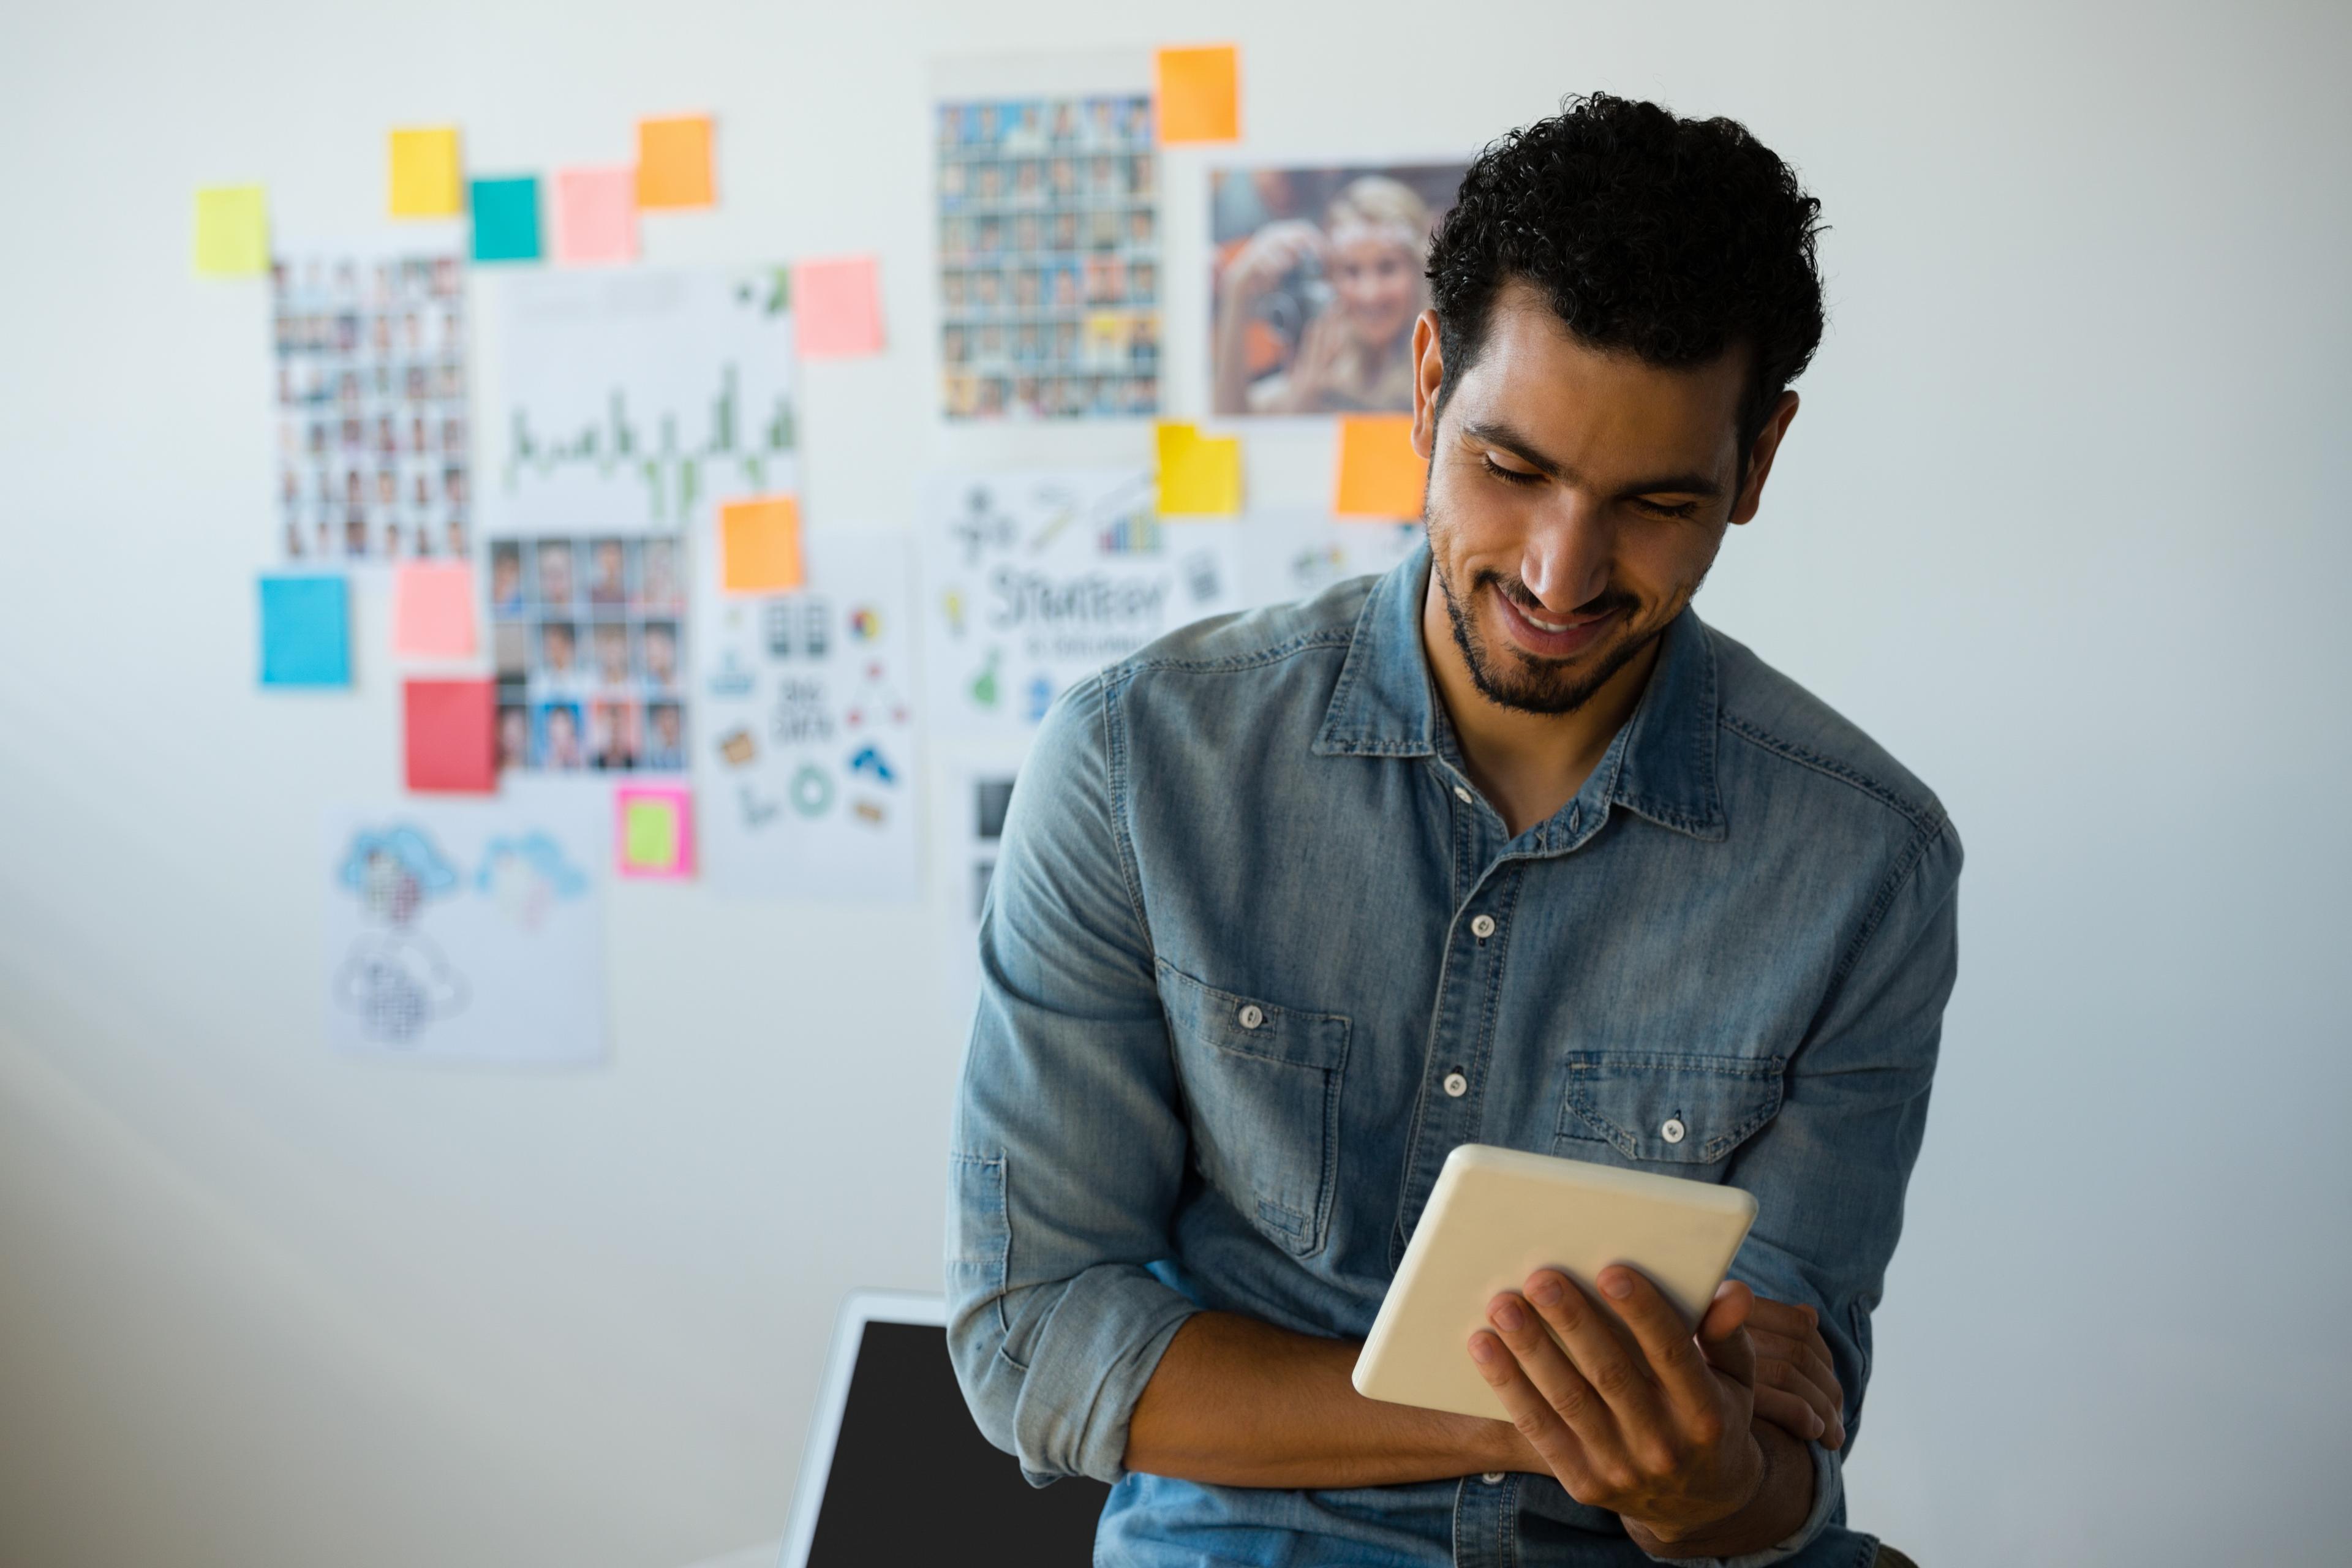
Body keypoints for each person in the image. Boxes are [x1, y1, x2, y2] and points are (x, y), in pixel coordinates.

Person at [948, 95, 1956, 1568]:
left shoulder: (1863, 863)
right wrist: (1538, 1411)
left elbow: (1777, 1454)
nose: (1560, 572)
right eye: (1512, 466)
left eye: (1657, 501)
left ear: (1756, 463)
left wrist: (1703, 1475)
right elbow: (1030, 1338)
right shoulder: (1134, 766)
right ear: (1425, 385)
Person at [1212, 174, 1438, 417]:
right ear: (1331, 279)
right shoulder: (1322, 368)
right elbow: (1231, 423)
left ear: (1418, 270)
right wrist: (1236, 291)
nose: (1370, 293)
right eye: (1352, 271)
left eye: (1387, 268)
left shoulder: (1444, 377)